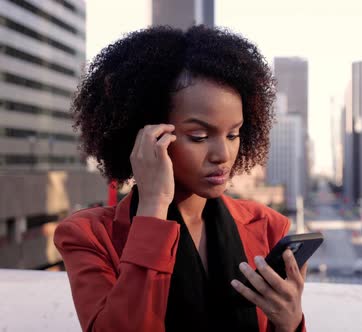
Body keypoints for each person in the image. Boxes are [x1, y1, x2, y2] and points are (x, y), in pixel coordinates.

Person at [54, 25, 307, 332]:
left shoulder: (268, 228)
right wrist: (153, 206)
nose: (223, 154)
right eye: (199, 136)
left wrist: (290, 324)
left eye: (233, 134)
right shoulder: (89, 237)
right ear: (149, 135)